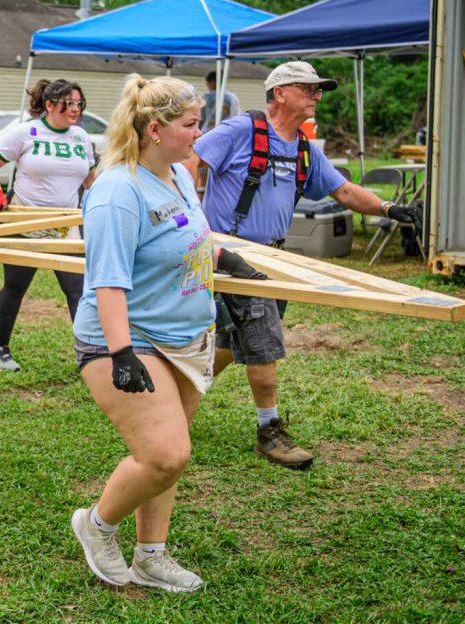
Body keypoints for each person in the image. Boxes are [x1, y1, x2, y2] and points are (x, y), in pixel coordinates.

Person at [69, 74, 265, 592]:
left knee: (166, 457)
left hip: (184, 336)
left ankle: (151, 556)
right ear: (155, 129)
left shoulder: (178, 174)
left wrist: (225, 257)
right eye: (191, 124)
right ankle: (96, 526)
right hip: (128, 337)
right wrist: (121, 354)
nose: (199, 133)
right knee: (166, 454)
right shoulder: (117, 190)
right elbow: (107, 282)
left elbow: (183, 234)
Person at [186, 61, 420, 470]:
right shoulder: (242, 130)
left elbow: (343, 190)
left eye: (319, 89)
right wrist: (192, 223)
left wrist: (388, 207)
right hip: (230, 257)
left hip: (273, 257)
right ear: (279, 92)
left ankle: (177, 395)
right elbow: (189, 161)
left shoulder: (304, 149)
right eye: (308, 88)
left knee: (230, 341)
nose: (317, 95)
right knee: (263, 341)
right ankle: (269, 430)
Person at [0, 78, 95, 371]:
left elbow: (90, 179)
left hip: (65, 225)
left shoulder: (81, 138)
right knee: (15, 286)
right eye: (70, 103)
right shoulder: (26, 132)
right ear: (50, 104)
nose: (76, 109)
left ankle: (89, 355)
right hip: (26, 220)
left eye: (80, 103)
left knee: (78, 289)